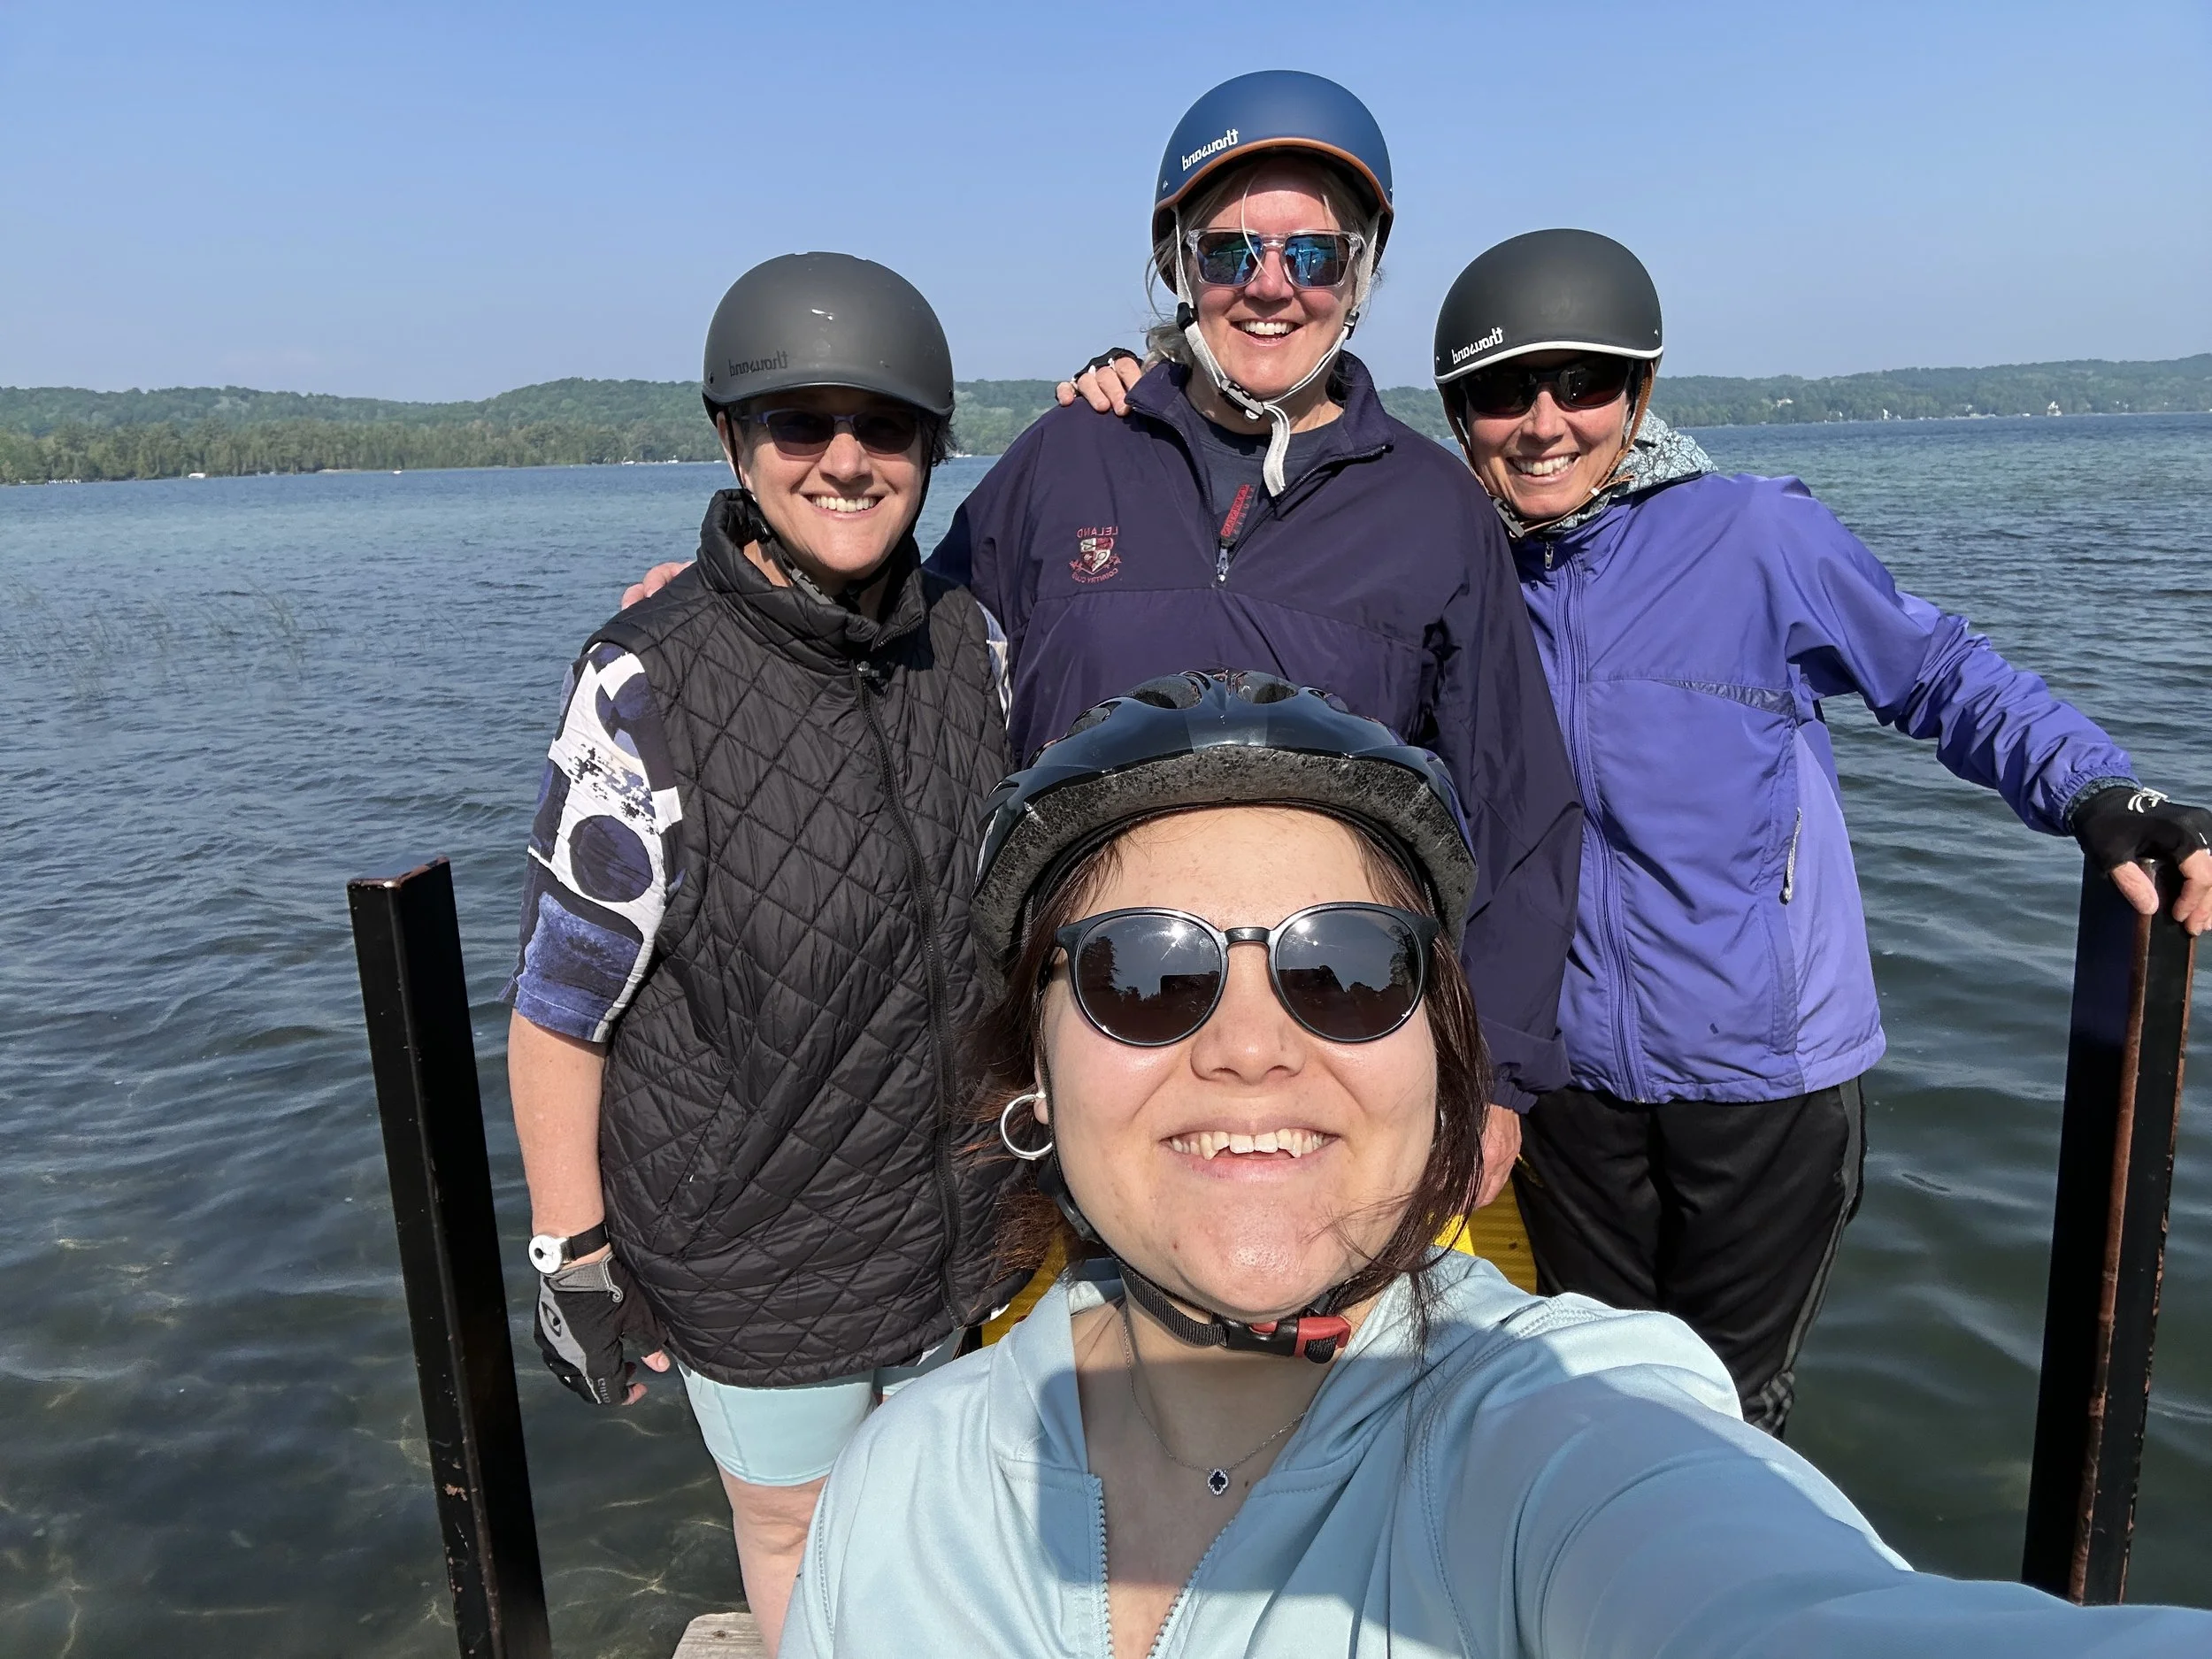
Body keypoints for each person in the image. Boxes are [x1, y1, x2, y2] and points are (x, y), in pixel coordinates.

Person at [776, 669, 2210, 1659]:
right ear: (1032, 1067)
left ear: (1445, 1058)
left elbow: (1759, 1593)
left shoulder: (1564, 1427)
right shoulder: (905, 1480)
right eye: (1147, 977)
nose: (1254, 1046)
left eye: (1348, 968)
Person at [1064, 230, 2212, 1436]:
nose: (1546, 423)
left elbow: (1941, 677)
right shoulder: (1454, 558)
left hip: (1766, 1074)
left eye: (1587, 383)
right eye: (1504, 393)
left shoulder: (1759, 537)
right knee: (1596, 1398)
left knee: (1730, 1412)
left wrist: (2097, 792)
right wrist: (1137, 399)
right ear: (1461, 415)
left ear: (1642, 392)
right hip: (1567, 1086)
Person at [626, 73, 1584, 1181]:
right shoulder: (1066, 456)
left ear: (1362, 268)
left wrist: (1500, 1081)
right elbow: (891, 645)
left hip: (1326, 1033)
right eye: (1229, 253)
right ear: (1178, 261)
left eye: (1310, 255)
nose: (1269, 288)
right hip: (1087, 1028)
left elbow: (1521, 807)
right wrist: (739, 601)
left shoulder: (1434, 507)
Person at [501, 252, 1018, 1650]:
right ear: (736, 439)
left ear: (930, 446)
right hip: (751, 1241)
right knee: (793, 1525)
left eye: (885, 426)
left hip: (946, 1222)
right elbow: (561, 1003)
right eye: (801, 424)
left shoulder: (970, 648)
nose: (845, 460)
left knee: (933, 1508)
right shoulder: (643, 677)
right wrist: (574, 1252)